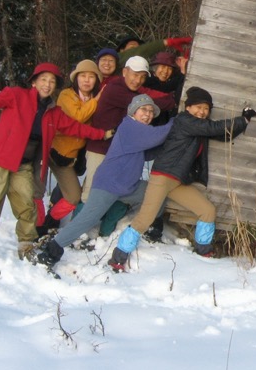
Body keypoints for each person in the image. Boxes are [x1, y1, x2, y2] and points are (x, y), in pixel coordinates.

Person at [0, 63, 112, 266]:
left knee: (27, 205)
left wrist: (102, 133)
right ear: (34, 82)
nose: (47, 85)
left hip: (23, 165)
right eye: (43, 80)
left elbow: (76, 128)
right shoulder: (16, 96)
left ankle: (26, 243)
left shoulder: (53, 112)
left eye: (52, 82)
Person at [108, 87, 256, 270]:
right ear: (188, 108)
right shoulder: (185, 120)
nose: (202, 112)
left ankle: (204, 252)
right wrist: (241, 119)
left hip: (177, 181)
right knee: (145, 219)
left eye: (206, 109)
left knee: (207, 210)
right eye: (198, 107)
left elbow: (222, 133)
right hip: (162, 177)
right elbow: (214, 127)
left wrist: (245, 120)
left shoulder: (199, 126)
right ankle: (118, 258)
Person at [36, 95, 174, 269]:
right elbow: (158, 135)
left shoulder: (138, 131)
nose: (148, 114)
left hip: (128, 186)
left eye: (151, 112)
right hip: (109, 184)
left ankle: (153, 229)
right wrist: (177, 122)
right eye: (144, 110)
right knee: (88, 219)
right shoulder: (130, 126)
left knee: (156, 194)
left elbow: (148, 153)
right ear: (134, 111)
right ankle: (52, 249)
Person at [82, 56, 176, 237]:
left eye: (142, 76)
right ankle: (82, 234)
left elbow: (147, 94)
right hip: (100, 148)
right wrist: (170, 102)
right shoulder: (115, 89)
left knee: (118, 192)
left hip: (118, 151)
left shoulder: (131, 88)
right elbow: (148, 102)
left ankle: (103, 230)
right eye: (134, 75)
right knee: (91, 194)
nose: (137, 80)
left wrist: (169, 96)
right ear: (124, 72)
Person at [36, 59, 104, 235]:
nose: (87, 80)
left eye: (91, 77)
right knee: (36, 191)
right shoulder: (67, 95)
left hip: (72, 156)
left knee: (73, 196)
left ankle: (51, 219)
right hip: (54, 151)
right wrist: (96, 100)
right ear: (76, 78)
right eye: (83, 76)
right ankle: (39, 225)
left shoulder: (93, 99)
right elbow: (77, 117)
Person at [143, 51, 187, 123]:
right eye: (163, 67)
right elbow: (165, 88)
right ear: (155, 68)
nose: (166, 71)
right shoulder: (148, 81)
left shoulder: (165, 82)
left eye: (169, 68)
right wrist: (182, 73)